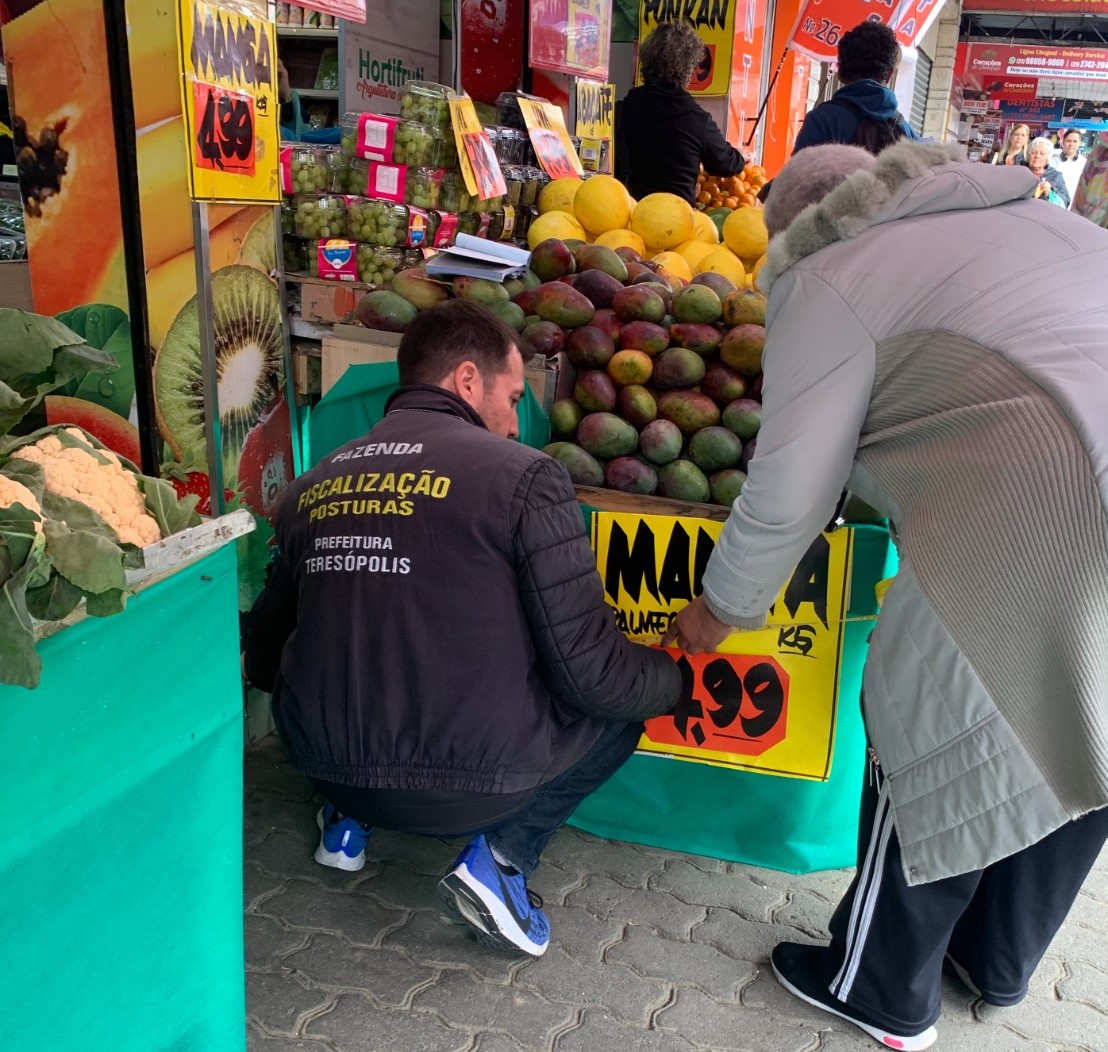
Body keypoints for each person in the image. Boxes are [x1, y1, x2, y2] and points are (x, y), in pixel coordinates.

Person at [664, 141, 1108, 1050]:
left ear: (789, 227)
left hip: (1046, 509)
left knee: (927, 718)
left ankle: (879, 986)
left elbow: (790, 493)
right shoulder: (1034, 214)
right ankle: (997, 963)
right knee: (1088, 717)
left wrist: (716, 613)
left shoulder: (828, 274)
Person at [242, 300, 683, 959]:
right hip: (471, 789)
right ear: (467, 381)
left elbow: (267, 661)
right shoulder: (526, 478)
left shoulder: (311, 485)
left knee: (353, 643)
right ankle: (501, 861)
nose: (513, 423)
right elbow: (591, 674)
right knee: (621, 705)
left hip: (326, 763)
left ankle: (347, 824)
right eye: (512, 397)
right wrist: (673, 677)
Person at [616, 20, 745, 204]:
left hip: (628, 215)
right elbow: (726, 164)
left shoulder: (625, 108)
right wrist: (740, 155)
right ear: (689, 69)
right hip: (677, 221)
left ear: (646, 61)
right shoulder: (696, 119)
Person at [792, 21, 919, 155]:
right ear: (889, 74)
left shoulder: (822, 120)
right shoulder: (907, 133)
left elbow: (795, 174)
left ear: (840, 70)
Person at [1027, 136, 1070, 207]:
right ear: (1028, 154)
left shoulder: (1056, 176)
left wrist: (1050, 191)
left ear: (1048, 157)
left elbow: (1066, 202)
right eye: (1033, 152)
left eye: (1042, 153)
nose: (1037, 156)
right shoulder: (1020, 171)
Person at [1053, 128, 1086, 208]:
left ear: (1079, 143)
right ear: (1063, 142)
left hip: (1073, 204)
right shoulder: (1052, 158)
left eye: (1075, 141)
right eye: (1068, 141)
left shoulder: (1084, 162)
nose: (1071, 144)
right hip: (1053, 200)